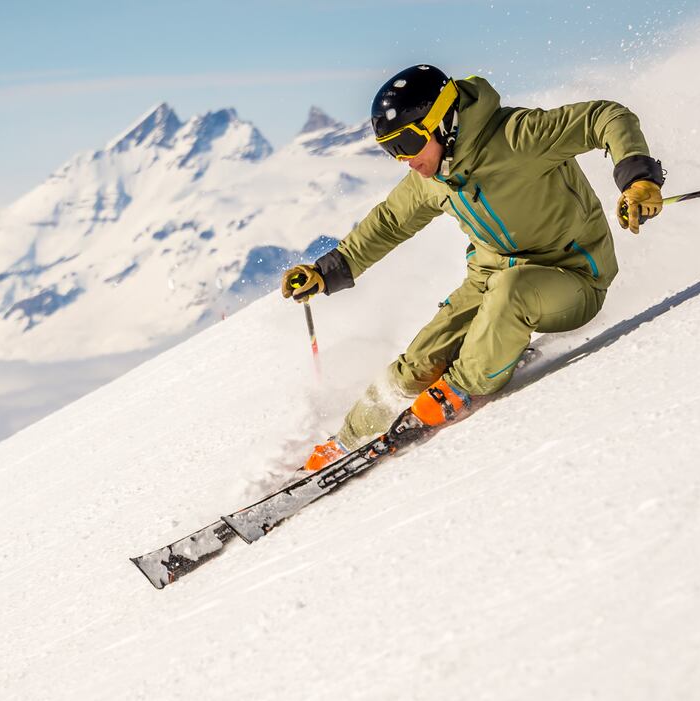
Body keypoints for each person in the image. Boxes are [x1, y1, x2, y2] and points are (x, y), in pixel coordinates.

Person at [282, 64, 664, 471]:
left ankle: (461, 390)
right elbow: (389, 223)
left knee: (512, 291)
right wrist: (327, 271)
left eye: (410, 141)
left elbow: (604, 117)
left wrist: (637, 178)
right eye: (392, 149)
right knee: (418, 363)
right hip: (490, 278)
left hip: (573, 276)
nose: (405, 159)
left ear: (443, 121)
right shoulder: (434, 177)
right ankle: (345, 443)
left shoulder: (518, 137)